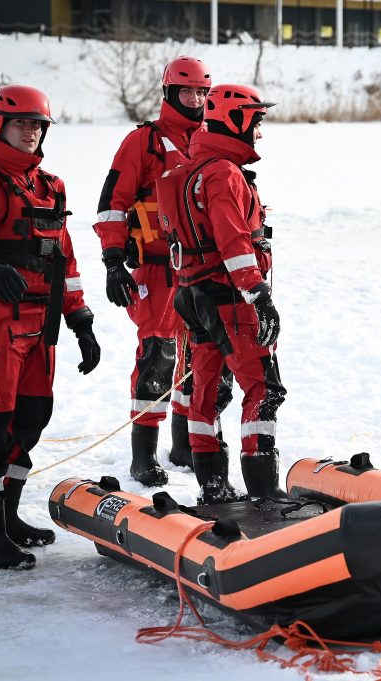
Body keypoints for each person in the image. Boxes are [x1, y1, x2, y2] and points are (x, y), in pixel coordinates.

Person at [0, 85, 100, 569]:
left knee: (29, 423)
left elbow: (64, 261)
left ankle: (9, 520)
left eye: (37, 125)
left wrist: (81, 320)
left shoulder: (51, 186)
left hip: (41, 327)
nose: (30, 132)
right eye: (21, 123)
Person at [93, 56, 231, 487]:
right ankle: (143, 455)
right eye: (187, 92)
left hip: (203, 268)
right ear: (170, 93)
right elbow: (111, 205)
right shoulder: (143, 142)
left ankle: (185, 444)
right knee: (158, 356)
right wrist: (113, 260)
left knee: (200, 355)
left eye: (202, 93)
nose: (195, 100)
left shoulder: (213, 139)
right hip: (156, 270)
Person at [155, 83, 285, 504]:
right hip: (229, 298)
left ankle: (212, 484)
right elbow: (234, 244)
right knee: (263, 388)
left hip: (193, 295)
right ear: (236, 121)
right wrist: (259, 295)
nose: (259, 132)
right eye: (256, 122)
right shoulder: (224, 173)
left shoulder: (184, 171)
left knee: (207, 391)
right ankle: (264, 490)